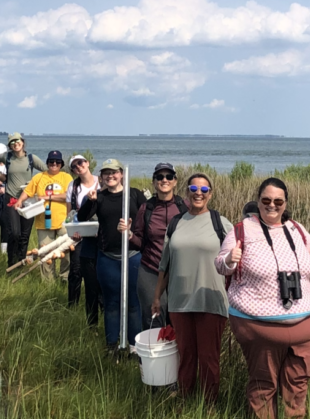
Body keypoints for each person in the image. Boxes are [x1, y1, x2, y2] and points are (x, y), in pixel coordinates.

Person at [215, 177, 310, 419]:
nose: (272, 205)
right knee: (263, 383)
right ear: (258, 201)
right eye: (266, 200)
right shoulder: (241, 230)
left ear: (285, 203)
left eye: (278, 201)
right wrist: (230, 259)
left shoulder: (297, 229)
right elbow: (221, 265)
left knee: (298, 382)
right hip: (258, 326)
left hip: (305, 326)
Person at [151, 172, 230, 403]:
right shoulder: (176, 223)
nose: (198, 193)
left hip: (211, 301)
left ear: (210, 194)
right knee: (185, 356)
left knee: (209, 358)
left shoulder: (220, 223)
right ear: (186, 193)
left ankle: (209, 406)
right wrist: (157, 297)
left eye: (204, 190)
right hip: (179, 301)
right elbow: (165, 265)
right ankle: (184, 400)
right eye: (194, 189)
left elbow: (234, 262)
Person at [77, 159, 147, 351]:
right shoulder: (98, 197)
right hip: (108, 258)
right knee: (111, 303)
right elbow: (82, 217)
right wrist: (90, 201)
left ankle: (134, 347)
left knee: (134, 302)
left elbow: (148, 218)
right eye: (106, 173)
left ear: (121, 174)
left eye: (114, 172)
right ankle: (111, 346)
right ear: (101, 176)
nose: (110, 176)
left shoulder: (134, 195)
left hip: (133, 256)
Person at [131, 162, 187, 330]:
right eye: (160, 177)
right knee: (153, 316)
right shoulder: (145, 208)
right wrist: (129, 236)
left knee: (178, 318)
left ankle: (177, 355)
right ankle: (151, 355)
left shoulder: (184, 207)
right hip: (151, 269)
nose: (164, 180)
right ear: (154, 182)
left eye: (169, 176)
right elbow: (140, 242)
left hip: (178, 271)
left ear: (175, 181)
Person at [0, 132, 44, 268]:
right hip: (11, 198)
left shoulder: (31, 158)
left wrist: (36, 184)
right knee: (14, 233)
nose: (15, 144)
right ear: (9, 146)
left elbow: (46, 172)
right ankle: (11, 263)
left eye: (17, 141)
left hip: (28, 200)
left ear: (22, 142)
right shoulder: (7, 157)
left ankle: (21, 263)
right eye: (12, 142)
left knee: (24, 235)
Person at [16, 151, 74, 279]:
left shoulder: (66, 177)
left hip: (63, 220)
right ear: (47, 163)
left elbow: (68, 196)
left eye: (57, 162)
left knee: (67, 250)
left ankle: (65, 277)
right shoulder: (39, 177)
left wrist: (48, 196)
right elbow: (28, 191)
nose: (54, 164)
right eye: (51, 161)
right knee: (44, 252)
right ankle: (48, 282)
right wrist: (20, 201)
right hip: (43, 222)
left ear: (61, 164)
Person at [65, 154, 101, 327]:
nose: (78, 167)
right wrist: (74, 231)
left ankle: (101, 305)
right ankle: (72, 305)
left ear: (87, 163)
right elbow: (70, 213)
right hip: (82, 233)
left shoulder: (101, 181)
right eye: (74, 166)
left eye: (80, 163)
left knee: (100, 271)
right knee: (76, 270)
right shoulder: (73, 186)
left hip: (101, 232)